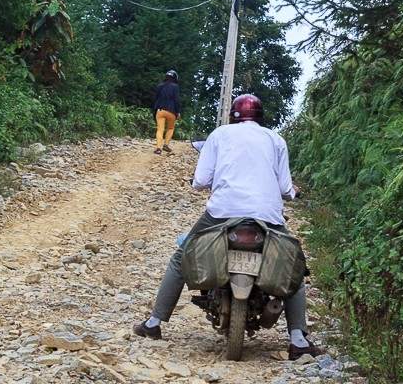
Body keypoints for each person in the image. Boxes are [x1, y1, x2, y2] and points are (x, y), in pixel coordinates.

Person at [133, 94, 324, 361]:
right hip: (267, 216)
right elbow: (284, 188)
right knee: (293, 266)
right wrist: (293, 194)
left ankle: (154, 324)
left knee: (181, 258)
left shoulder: (220, 134)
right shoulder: (275, 139)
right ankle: (298, 340)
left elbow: (201, 180)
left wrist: (196, 184)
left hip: (222, 213)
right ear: (260, 116)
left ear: (234, 114)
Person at [152, 70, 181, 155]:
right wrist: (178, 111)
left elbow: (156, 98)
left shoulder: (159, 86)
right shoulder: (175, 87)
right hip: (171, 112)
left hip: (160, 111)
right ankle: (166, 145)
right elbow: (176, 100)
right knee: (170, 128)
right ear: (175, 78)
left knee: (160, 129)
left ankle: (158, 148)